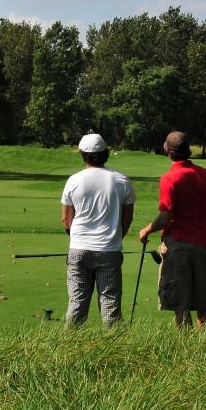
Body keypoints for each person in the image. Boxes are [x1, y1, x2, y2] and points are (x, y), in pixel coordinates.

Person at [138, 130, 206, 328]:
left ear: (167, 151)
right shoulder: (205, 174)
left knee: (180, 303)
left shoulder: (169, 178)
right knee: (202, 303)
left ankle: (185, 348)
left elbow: (166, 217)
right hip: (202, 245)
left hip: (179, 245)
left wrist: (147, 230)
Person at [60, 132, 136, 326]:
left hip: (79, 251)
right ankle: (114, 351)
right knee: (110, 305)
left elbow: (66, 220)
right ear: (105, 153)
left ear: (82, 153)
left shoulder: (73, 180)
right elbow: (126, 220)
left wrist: (76, 237)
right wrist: (115, 237)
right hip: (109, 251)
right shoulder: (122, 180)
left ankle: (68, 350)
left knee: (77, 304)